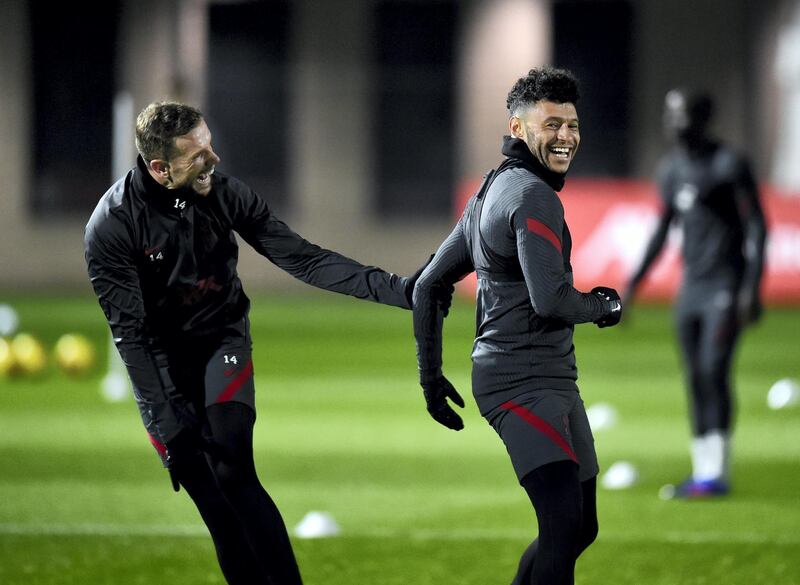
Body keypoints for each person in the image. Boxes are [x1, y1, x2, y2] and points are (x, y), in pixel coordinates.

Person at [84, 102, 444, 585]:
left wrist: (401, 291)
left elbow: (306, 259)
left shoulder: (225, 195)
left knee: (233, 468)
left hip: (222, 340)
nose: (213, 159)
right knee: (215, 506)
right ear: (160, 169)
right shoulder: (111, 227)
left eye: (210, 144)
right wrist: (168, 426)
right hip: (163, 364)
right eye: (197, 155)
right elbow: (131, 336)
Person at [412, 67, 622, 585]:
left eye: (572, 125)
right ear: (518, 127)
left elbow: (428, 286)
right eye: (551, 125)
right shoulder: (531, 195)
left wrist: (431, 376)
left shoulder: (492, 189)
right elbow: (550, 300)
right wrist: (603, 306)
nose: (566, 137)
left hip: (550, 377)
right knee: (562, 524)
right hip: (519, 383)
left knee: (580, 526)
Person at [625, 89, 767, 498]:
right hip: (691, 289)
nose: (673, 124)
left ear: (702, 119)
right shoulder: (670, 169)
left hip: (725, 285)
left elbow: (757, 227)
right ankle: (703, 471)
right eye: (670, 116)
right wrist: (635, 284)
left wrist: (750, 288)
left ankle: (717, 473)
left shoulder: (729, 164)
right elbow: (661, 229)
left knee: (714, 370)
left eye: (681, 116)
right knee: (694, 378)